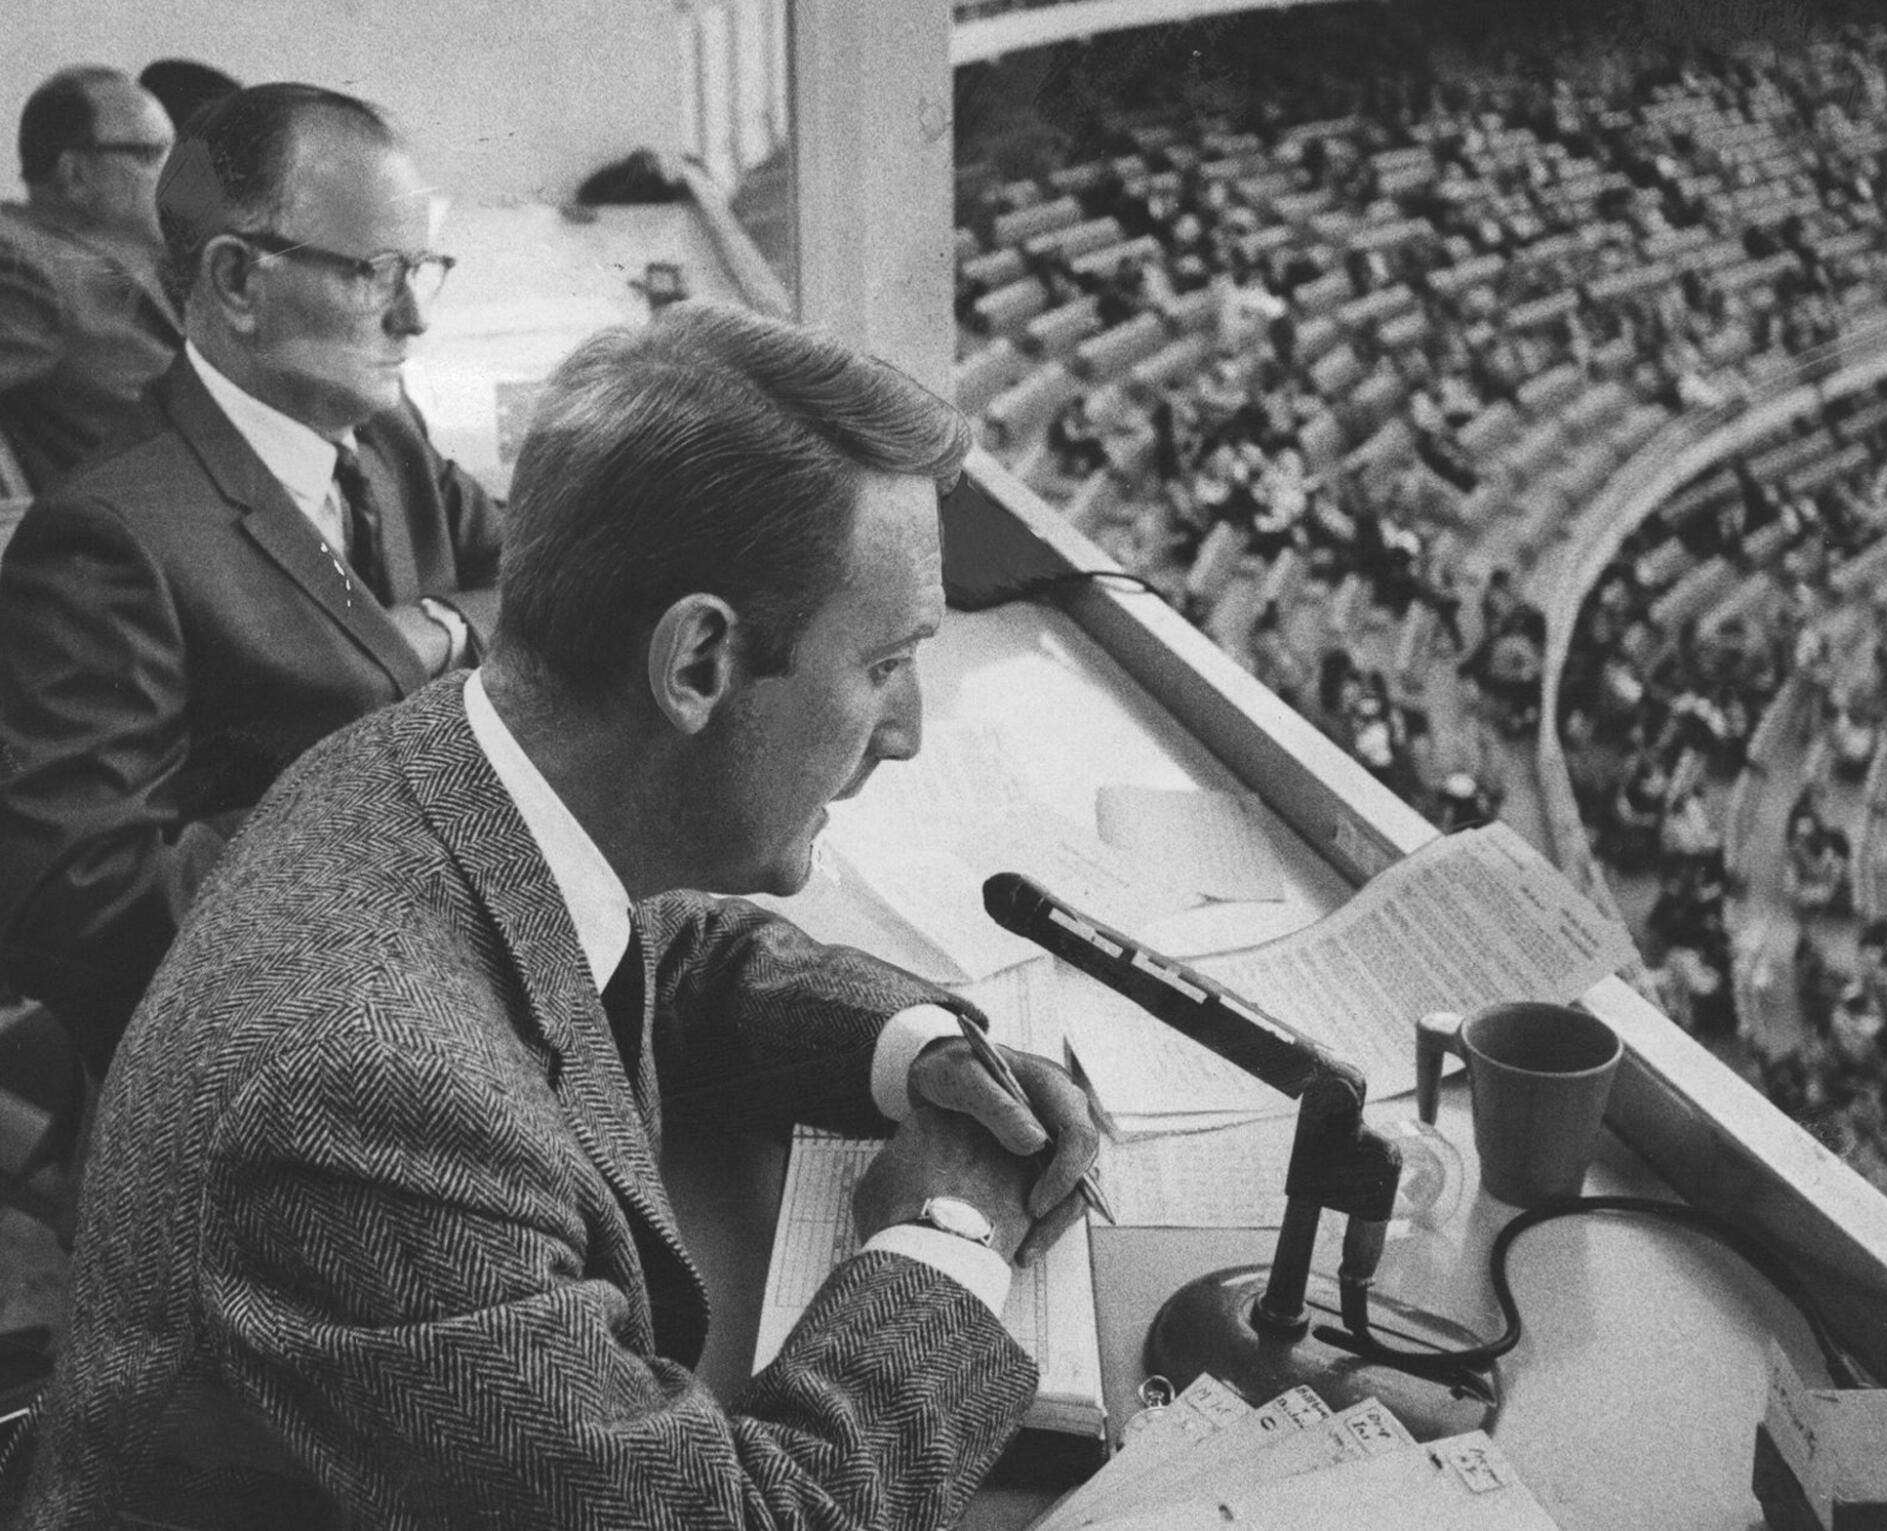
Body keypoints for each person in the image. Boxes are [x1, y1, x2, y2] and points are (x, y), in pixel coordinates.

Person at [19, 302, 1102, 1528]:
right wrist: (950, 1234)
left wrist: (909, 1052)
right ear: (695, 663)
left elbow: (653, 946)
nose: (902, 736)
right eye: (884, 666)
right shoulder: (369, 1109)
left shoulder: (440, 757)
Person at [0, 83, 502, 1074]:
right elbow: (82, 909)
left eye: (422, 268)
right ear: (236, 279)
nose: (413, 317)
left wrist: (436, 621)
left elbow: (543, 583)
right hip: (260, 1068)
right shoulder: (105, 538)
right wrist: (409, 851)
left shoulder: (387, 436)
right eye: (375, 273)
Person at [0, 66, 180, 489]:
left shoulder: (157, 253)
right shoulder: (21, 262)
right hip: (140, 533)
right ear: (75, 173)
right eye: (150, 155)